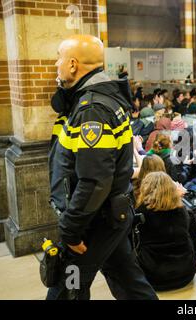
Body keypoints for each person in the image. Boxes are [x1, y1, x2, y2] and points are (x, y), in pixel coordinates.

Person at [47, 35, 157, 300]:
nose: (56, 65)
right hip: (109, 214)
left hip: (94, 221)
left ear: (73, 64)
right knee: (128, 281)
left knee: (67, 286)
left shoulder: (92, 109)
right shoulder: (97, 97)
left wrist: (71, 229)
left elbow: (95, 180)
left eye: (59, 58)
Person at [135, 172, 196, 291]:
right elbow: (193, 241)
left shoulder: (140, 213)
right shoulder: (184, 210)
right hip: (186, 272)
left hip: (154, 277)